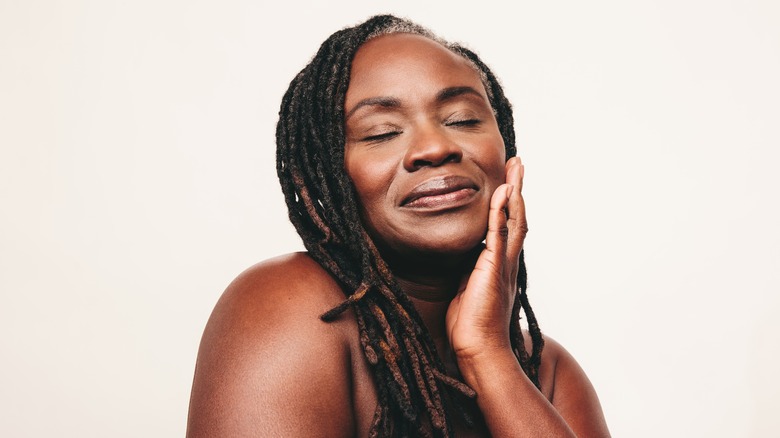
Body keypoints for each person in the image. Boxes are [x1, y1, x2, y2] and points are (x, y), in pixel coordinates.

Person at [187, 14, 610, 437]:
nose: (435, 148)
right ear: (330, 176)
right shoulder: (289, 305)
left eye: (462, 120)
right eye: (381, 133)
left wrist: (489, 356)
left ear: (507, 152)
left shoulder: (545, 370)